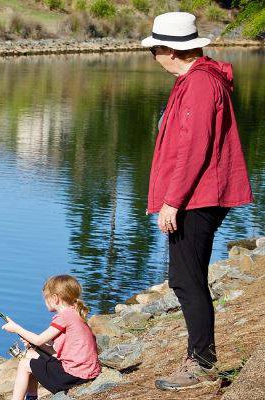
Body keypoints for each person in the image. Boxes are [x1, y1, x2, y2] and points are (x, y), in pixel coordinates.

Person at [141, 12, 253, 391]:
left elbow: (194, 147)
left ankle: (202, 364)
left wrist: (173, 200)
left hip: (196, 197)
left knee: (187, 280)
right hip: (196, 195)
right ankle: (198, 358)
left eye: (154, 49)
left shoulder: (201, 84)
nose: (153, 56)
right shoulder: (195, 80)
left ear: (170, 50)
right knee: (186, 278)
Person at [1, 275, 101, 400]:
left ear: (55, 298)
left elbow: (39, 340)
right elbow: (54, 349)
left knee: (24, 364)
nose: (45, 301)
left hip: (75, 376)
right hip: (87, 371)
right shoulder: (74, 313)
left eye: (45, 298)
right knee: (31, 353)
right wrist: (33, 343)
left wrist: (16, 328)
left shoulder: (64, 317)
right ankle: (31, 398)